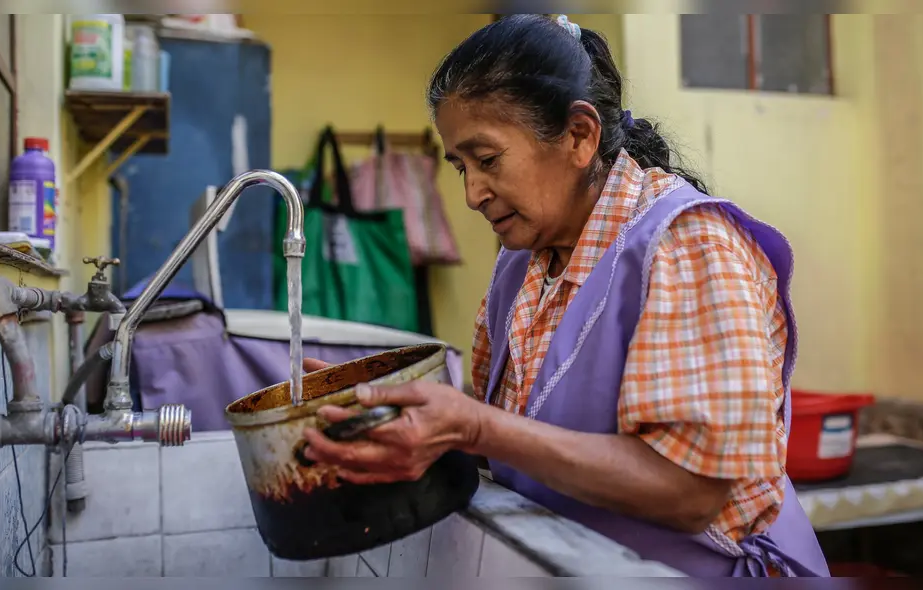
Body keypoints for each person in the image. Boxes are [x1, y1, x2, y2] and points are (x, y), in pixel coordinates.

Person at [301, 14, 829, 578]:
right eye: (460, 167)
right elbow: (508, 432)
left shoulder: (688, 247)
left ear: (580, 136)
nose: (473, 194)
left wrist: (473, 426)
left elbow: (691, 492)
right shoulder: (522, 265)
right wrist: (403, 415)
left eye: (488, 160)